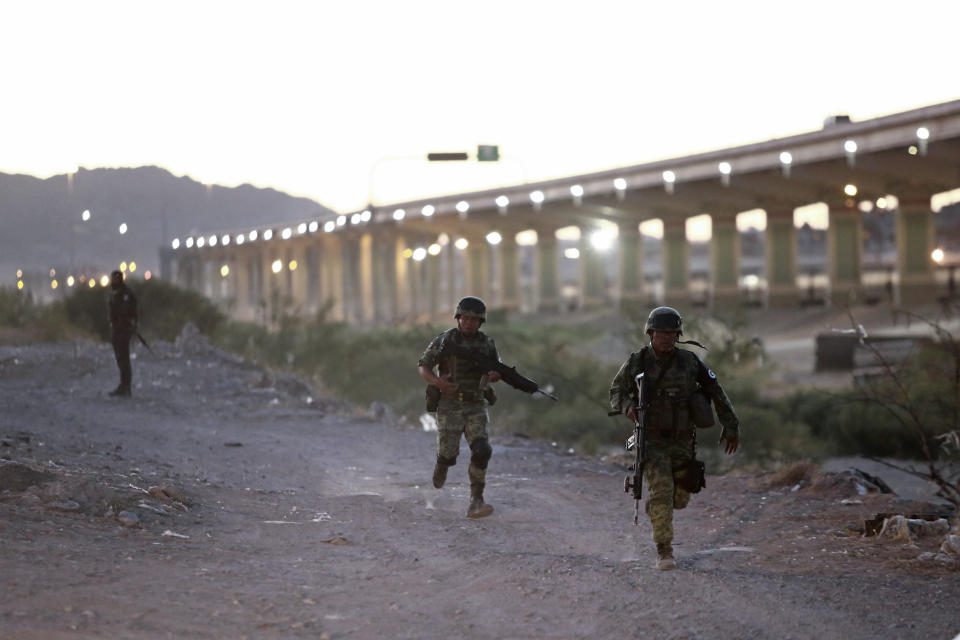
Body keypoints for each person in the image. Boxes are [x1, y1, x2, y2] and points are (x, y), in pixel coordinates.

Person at [608, 306, 740, 570]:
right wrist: (627, 407)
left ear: (678, 334)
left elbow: (716, 390)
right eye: (660, 333)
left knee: (680, 497)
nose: (666, 338)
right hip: (651, 440)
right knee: (662, 491)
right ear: (650, 333)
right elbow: (616, 390)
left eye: (671, 333)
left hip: (682, 440)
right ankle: (664, 550)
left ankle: (659, 509)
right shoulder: (638, 360)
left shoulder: (689, 362)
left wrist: (731, 424)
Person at [418, 296, 502, 518]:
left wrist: (494, 376)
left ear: (481, 322)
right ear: (458, 318)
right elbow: (424, 366)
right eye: (465, 318)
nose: (469, 322)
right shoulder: (446, 340)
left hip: (476, 405)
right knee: (448, 453)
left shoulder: (487, 344)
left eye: (474, 319)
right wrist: (438, 382)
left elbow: (495, 371)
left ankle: (476, 500)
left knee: (482, 450)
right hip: (449, 405)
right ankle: (442, 464)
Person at [107, 270, 138, 397]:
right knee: (120, 358)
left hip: (123, 330)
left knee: (124, 358)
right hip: (117, 330)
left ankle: (126, 386)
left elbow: (127, 312)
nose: (113, 280)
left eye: (116, 278)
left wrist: (127, 325)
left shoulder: (125, 294)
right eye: (112, 278)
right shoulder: (115, 293)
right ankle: (123, 385)